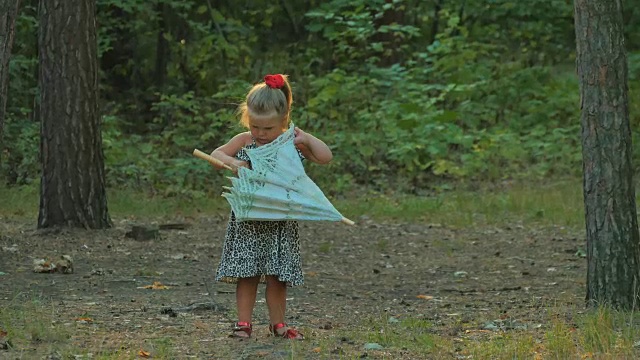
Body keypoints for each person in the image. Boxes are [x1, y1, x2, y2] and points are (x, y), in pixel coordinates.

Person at [209, 74, 333, 339]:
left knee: (278, 276)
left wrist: (307, 139)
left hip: (280, 220)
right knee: (248, 273)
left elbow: (325, 157)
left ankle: (278, 323)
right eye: (255, 127)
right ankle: (243, 323)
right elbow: (216, 154)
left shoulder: (290, 143)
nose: (261, 134)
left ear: (284, 120)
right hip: (248, 221)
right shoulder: (245, 141)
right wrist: (233, 163)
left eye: (267, 129)